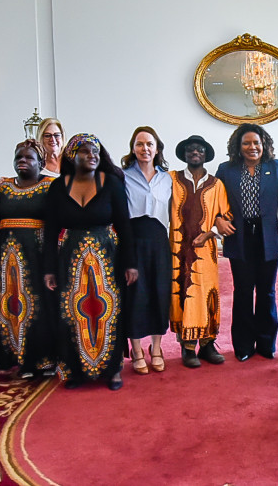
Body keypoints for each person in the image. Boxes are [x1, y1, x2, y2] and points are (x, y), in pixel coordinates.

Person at [43, 134, 138, 390]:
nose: (92, 155)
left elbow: (124, 225)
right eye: (85, 151)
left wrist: (130, 263)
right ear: (71, 155)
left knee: (109, 311)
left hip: (107, 257)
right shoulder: (58, 187)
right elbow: (50, 231)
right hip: (70, 259)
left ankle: (113, 370)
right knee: (72, 312)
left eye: (95, 151)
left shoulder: (112, 183)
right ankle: (75, 370)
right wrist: (49, 269)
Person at [216, 124, 278, 361]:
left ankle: (266, 343)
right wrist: (218, 220)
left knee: (267, 291)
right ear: (238, 147)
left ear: (264, 144)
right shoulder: (226, 170)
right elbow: (215, 201)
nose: (252, 147)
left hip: (268, 237)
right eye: (246, 143)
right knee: (243, 291)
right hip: (239, 237)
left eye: (256, 143)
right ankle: (243, 345)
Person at [0, 139, 57, 378]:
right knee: (11, 307)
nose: (23, 161)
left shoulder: (51, 187)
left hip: (38, 257)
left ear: (41, 162)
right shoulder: (2, 189)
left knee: (40, 308)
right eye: (19, 156)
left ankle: (43, 361)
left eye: (29, 157)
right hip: (8, 260)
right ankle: (16, 359)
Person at [168, 135, 234, 368]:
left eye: (200, 149)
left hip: (205, 250)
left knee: (206, 293)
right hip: (177, 248)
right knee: (182, 291)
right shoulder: (172, 179)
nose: (195, 152)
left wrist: (209, 233)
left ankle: (207, 344)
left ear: (206, 155)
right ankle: (187, 347)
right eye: (190, 149)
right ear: (184, 154)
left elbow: (226, 215)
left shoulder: (216, 185)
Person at [121, 127, 172, 375]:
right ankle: (137, 350)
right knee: (136, 294)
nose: (145, 149)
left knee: (159, 293)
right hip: (133, 238)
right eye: (140, 144)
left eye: (150, 144)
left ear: (157, 148)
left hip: (159, 240)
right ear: (133, 148)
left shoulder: (168, 178)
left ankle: (157, 348)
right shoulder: (122, 176)